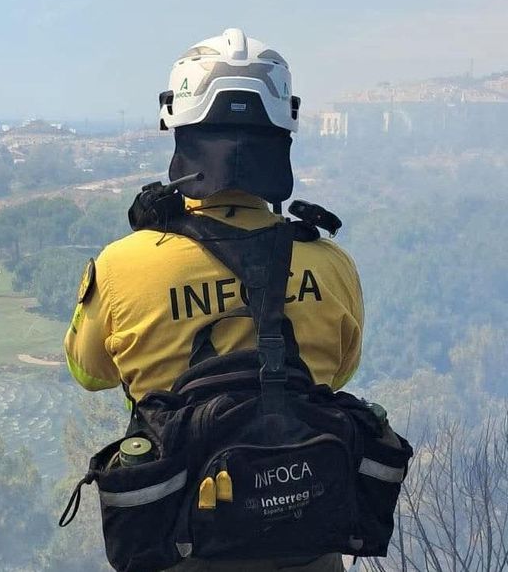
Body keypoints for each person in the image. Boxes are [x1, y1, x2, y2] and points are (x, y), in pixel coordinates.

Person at [63, 28, 364, 571]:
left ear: (178, 128)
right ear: (282, 133)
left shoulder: (123, 265)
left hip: (180, 546)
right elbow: (337, 375)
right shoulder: (331, 265)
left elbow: (89, 372)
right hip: (308, 549)